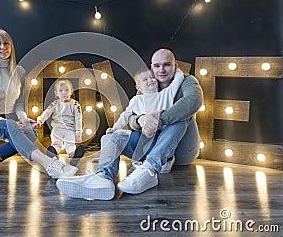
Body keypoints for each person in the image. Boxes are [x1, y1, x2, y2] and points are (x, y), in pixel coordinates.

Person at [56, 48, 203, 200]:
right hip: (150, 144)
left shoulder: (187, 81)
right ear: (151, 67)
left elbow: (194, 101)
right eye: (157, 66)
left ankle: (150, 169)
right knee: (110, 137)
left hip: (181, 151)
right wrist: (141, 119)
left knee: (182, 114)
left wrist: (159, 120)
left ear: (175, 66)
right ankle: (103, 178)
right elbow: (131, 117)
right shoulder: (148, 84)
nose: (161, 70)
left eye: (167, 65)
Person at [0, 28, 78, 183]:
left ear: (11, 45)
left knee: (30, 134)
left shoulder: (19, 71)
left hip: (8, 121)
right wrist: (5, 123)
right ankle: (50, 164)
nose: (2, 47)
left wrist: (24, 119)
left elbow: (18, 103)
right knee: (12, 128)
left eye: (6, 43)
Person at [33, 79, 85, 162]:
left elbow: (79, 119)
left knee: (70, 145)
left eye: (67, 90)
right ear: (56, 93)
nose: (64, 93)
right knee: (56, 145)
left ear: (71, 91)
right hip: (57, 129)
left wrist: (78, 134)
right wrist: (40, 121)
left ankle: (73, 156)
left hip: (70, 130)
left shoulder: (75, 104)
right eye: (61, 91)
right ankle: (53, 154)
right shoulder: (55, 104)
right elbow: (47, 112)